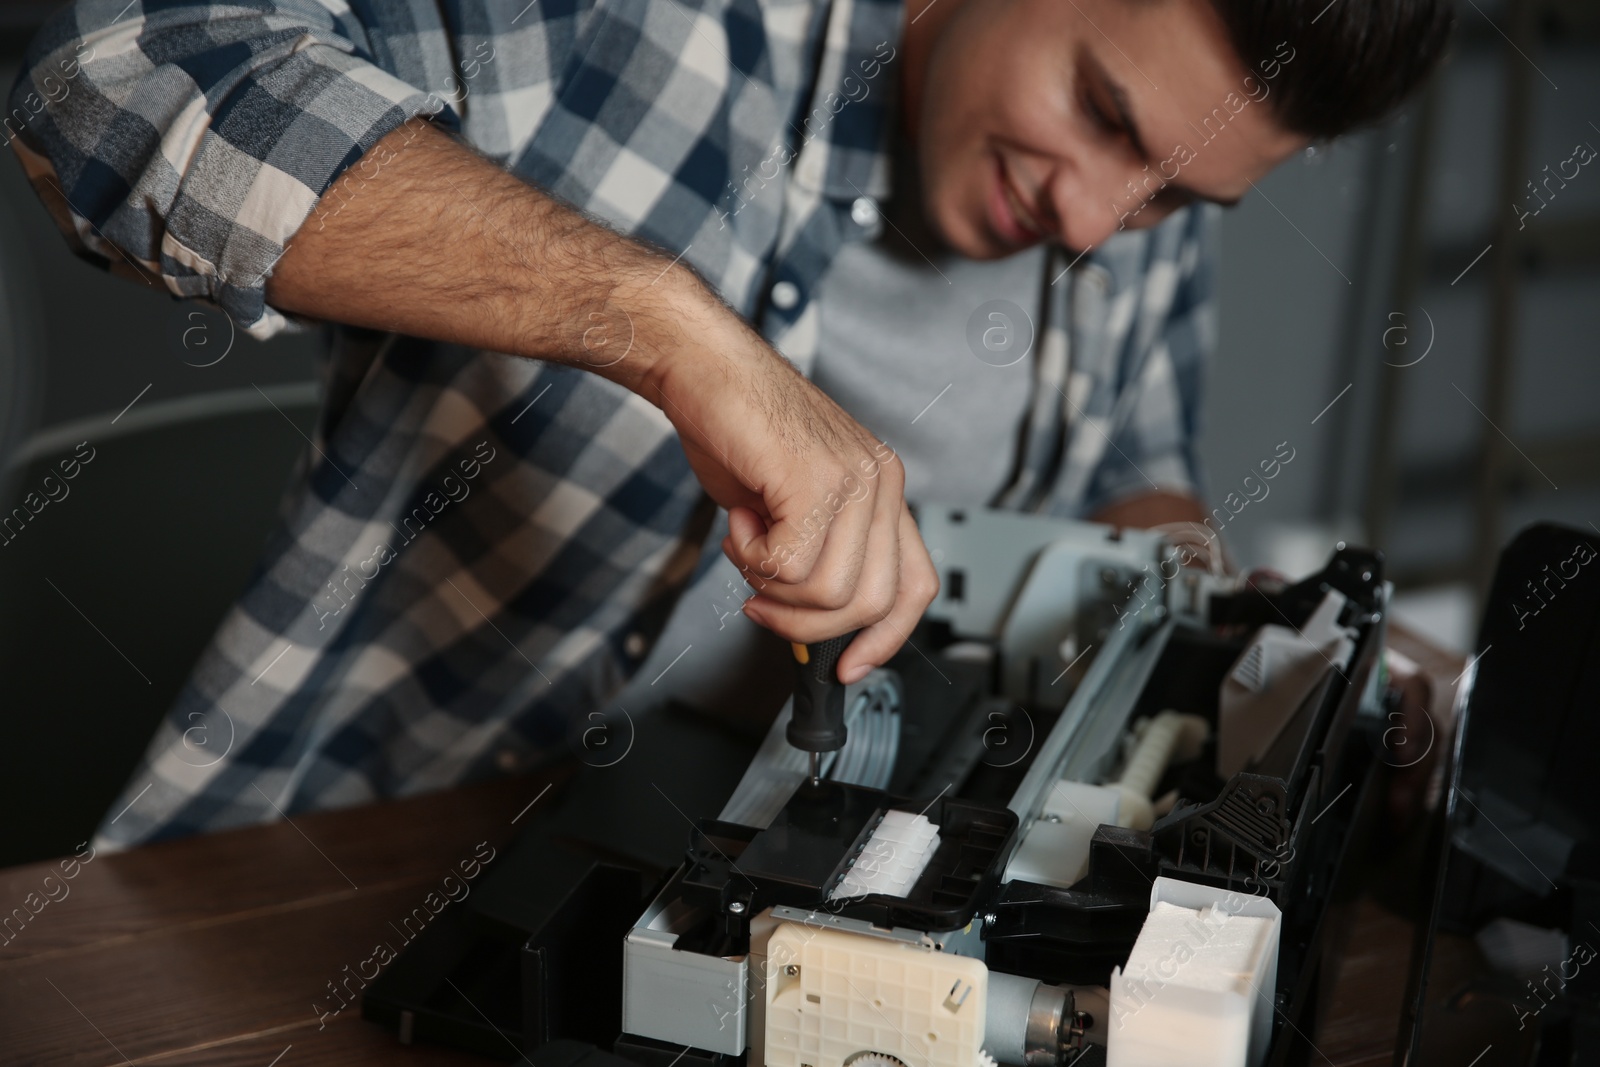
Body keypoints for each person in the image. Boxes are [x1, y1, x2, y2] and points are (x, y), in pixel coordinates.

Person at [7, 0, 1452, 848]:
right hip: (373, 856)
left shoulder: (1128, 208)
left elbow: (1133, 476)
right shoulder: (649, 32)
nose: (1094, 223)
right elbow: (111, 71)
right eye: (1103, 116)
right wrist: (672, 332)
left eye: (1171, 202)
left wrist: (1240, 631)